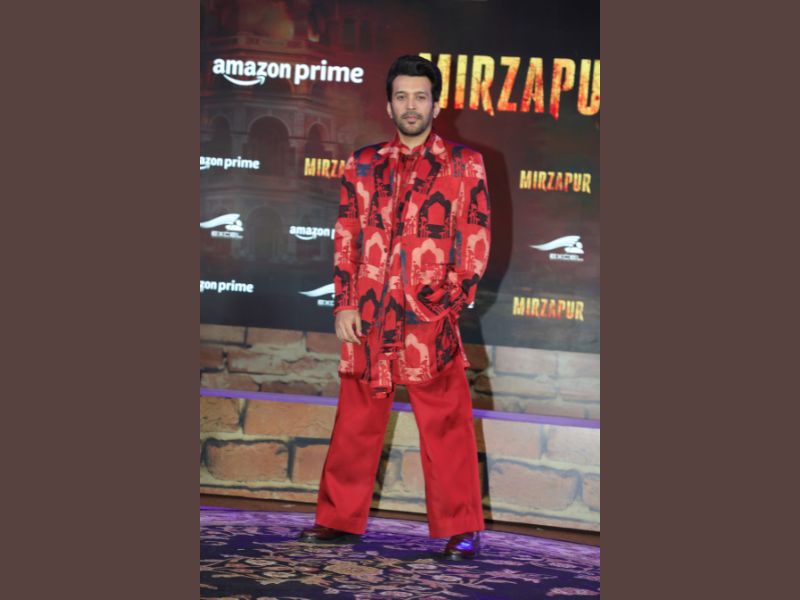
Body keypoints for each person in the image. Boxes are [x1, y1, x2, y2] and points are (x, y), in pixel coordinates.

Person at [299, 55, 491, 560]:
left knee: (446, 424)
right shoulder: (362, 163)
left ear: (436, 104)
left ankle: (461, 527)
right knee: (355, 421)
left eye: (420, 97)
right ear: (388, 105)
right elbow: (346, 235)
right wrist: (344, 303)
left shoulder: (464, 163)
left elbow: (475, 239)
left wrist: (444, 305)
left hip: (429, 316)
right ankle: (338, 519)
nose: (411, 106)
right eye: (402, 96)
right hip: (368, 312)